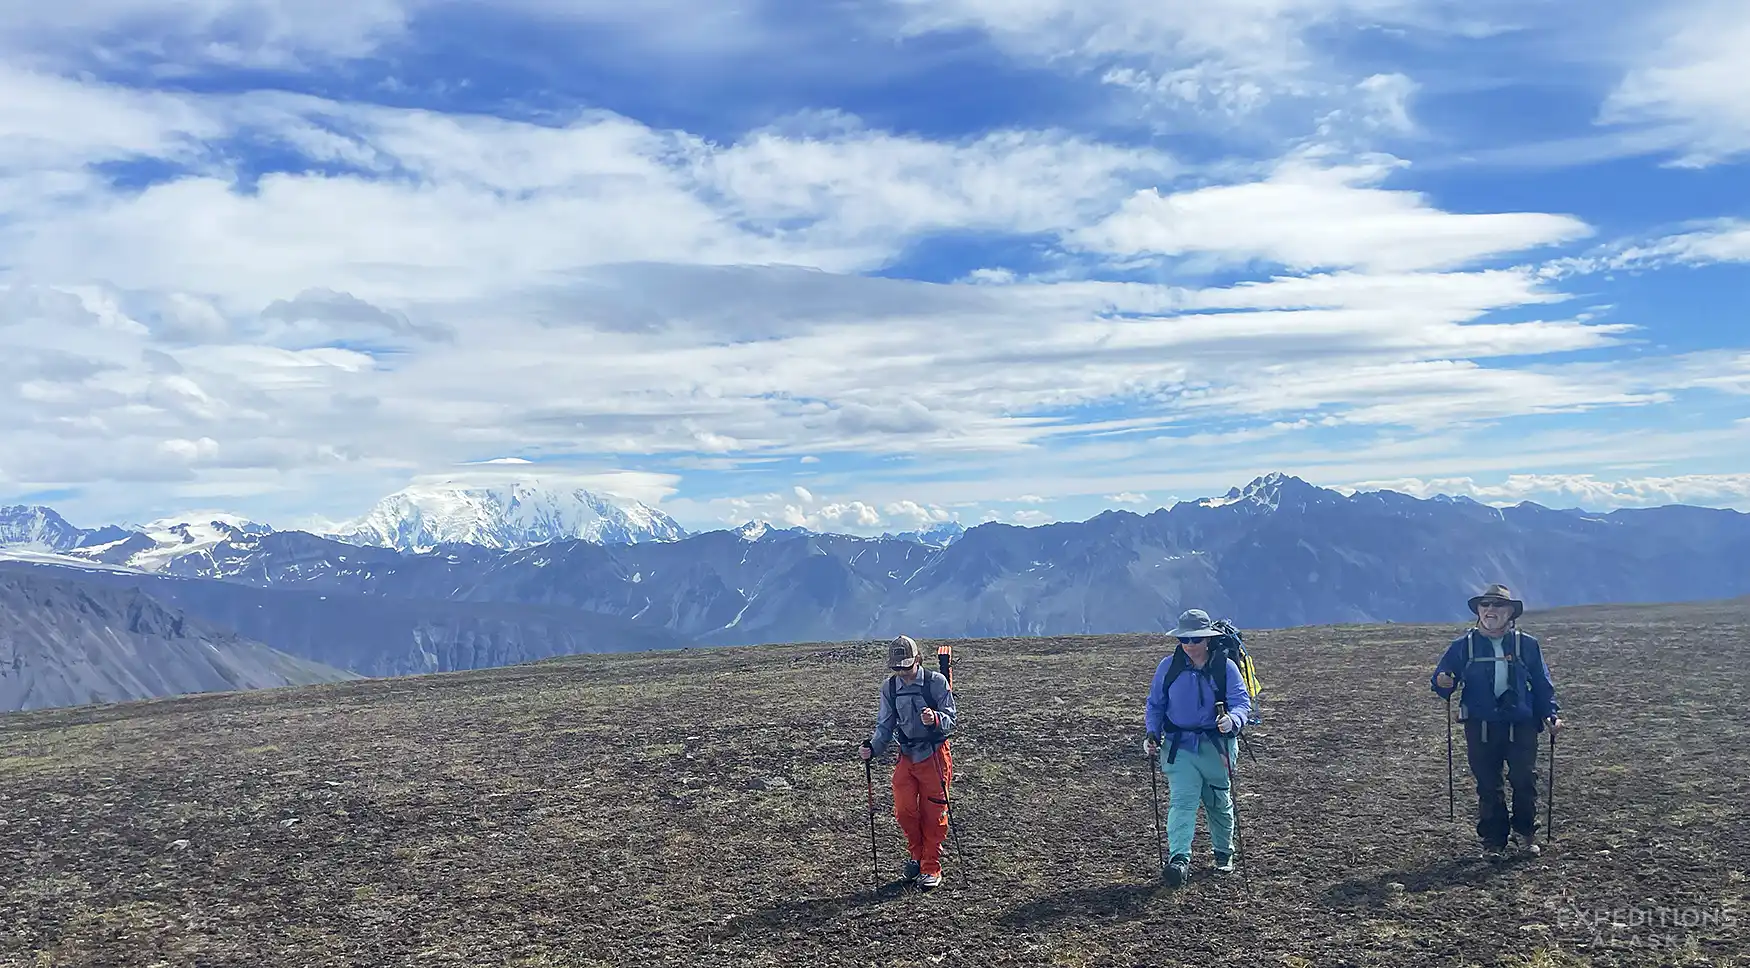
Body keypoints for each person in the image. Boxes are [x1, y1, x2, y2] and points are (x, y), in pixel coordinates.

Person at [1431, 583, 1564, 859]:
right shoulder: (1462, 646)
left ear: (1510, 613)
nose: (1490, 610)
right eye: (1485, 605)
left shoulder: (1527, 645)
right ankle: (1493, 841)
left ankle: (1525, 834)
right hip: (1480, 724)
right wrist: (1443, 681)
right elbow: (1443, 679)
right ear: (1478, 611)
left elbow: (1541, 683)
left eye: (1498, 605)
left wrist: (1550, 714)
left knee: (1524, 779)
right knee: (1488, 783)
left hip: (1521, 722)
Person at [1144, 608, 1252, 887]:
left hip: (1217, 747)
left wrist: (1234, 720)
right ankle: (1179, 860)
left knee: (1218, 801)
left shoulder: (1225, 667)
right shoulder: (1168, 667)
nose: (1190, 645)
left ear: (1208, 639)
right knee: (1182, 801)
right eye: (1184, 639)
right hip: (1179, 749)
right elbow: (1155, 704)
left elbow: (1241, 702)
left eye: (1196, 639)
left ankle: (1223, 853)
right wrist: (1152, 733)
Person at [860, 634, 958, 891]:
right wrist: (873, 748)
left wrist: (935, 718)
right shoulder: (890, 688)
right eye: (897, 667)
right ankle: (915, 856)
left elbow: (951, 720)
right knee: (904, 810)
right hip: (906, 756)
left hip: (935, 756)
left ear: (917, 660)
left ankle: (930, 866)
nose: (902, 672)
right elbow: (885, 726)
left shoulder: (937, 683)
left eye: (905, 666)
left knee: (934, 813)